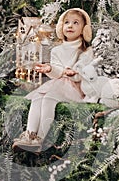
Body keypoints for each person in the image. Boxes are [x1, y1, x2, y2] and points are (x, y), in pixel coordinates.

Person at [13, 8, 94, 151]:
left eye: (76, 23)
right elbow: (57, 72)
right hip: (57, 83)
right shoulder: (57, 50)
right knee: (38, 97)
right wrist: (50, 69)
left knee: (49, 99)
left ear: (84, 29)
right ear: (61, 27)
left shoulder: (85, 51)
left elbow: (81, 73)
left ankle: (40, 139)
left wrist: (69, 72)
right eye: (67, 22)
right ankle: (29, 134)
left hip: (74, 87)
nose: (70, 26)